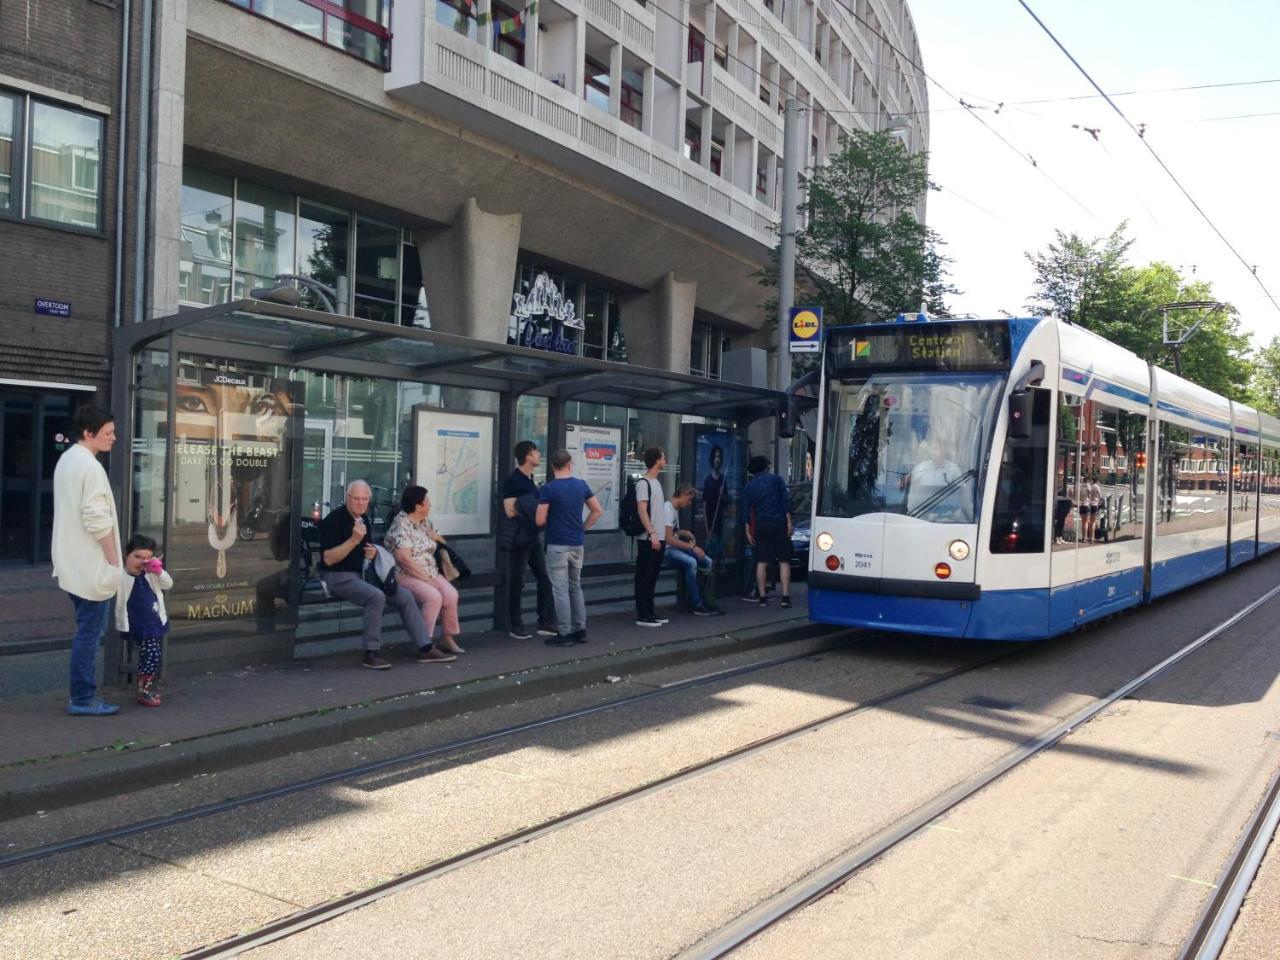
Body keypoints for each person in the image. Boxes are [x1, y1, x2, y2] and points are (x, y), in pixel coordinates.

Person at [318, 479, 447, 669]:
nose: (361, 503)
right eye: (356, 499)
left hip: (364, 574)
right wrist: (354, 541)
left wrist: (374, 552)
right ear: (347, 498)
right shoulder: (334, 520)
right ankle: (371, 652)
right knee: (376, 597)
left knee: (404, 596)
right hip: (339, 576)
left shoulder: (364, 519)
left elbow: (366, 550)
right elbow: (328, 559)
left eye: (364, 499)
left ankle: (425, 647)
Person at [52, 405, 124, 716]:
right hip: (91, 566)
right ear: (88, 433)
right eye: (108, 433)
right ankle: (82, 698)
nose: (114, 438)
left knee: (85, 631)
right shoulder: (91, 468)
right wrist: (113, 562)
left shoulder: (67, 460)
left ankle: (82, 696)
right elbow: (97, 519)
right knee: (89, 635)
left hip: (71, 561)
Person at [385, 485, 465, 658]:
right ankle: (424, 644)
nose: (429, 504)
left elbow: (442, 545)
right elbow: (404, 559)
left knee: (451, 594)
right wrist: (427, 580)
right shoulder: (401, 524)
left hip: (431, 571)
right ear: (418, 506)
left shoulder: (425, 522)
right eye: (427, 501)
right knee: (433, 597)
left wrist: (437, 538)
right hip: (406, 574)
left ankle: (447, 638)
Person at [536, 450, 603, 646]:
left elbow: (540, 519)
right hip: (577, 543)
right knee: (575, 586)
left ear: (552, 467)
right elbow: (597, 510)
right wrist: (583, 527)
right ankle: (580, 630)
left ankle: (564, 633)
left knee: (560, 590)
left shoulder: (548, 489)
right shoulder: (581, 485)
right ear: (569, 464)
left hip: (557, 544)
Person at [499, 440, 557, 641]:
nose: (539, 455)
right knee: (518, 580)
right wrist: (532, 513)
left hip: (532, 535)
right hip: (519, 537)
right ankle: (516, 625)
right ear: (527, 456)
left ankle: (545, 621)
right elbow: (509, 509)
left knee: (544, 577)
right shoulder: (514, 481)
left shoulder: (530, 479)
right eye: (536, 452)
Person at [116, 535, 173, 707]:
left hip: (153, 622)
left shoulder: (150, 574)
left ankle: (145, 688)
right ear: (127, 555)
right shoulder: (121, 576)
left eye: (147, 558)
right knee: (149, 654)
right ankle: (144, 689)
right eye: (137, 556)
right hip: (135, 624)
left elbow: (168, 584)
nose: (141, 562)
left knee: (152, 654)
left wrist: (158, 570)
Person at [663, 484, 722, 616]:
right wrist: (693, 547)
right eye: (689, 500)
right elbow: (669, 539)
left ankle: (704, 597)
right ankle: (696, 604)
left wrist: (685, 532)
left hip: (674, 547)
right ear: (682, 495)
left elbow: (674, 531)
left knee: (707, 561)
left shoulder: (674, 509)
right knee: (691, 562)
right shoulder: (667, 509)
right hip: (667, 550)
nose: (689, 503)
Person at [744, 454, 793, 609]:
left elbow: (745, 511)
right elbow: (785, 502)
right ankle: (785, 596)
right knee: (784, 561)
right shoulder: (777, 480)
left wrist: (747, 531)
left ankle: (763, 597)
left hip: (761, 525)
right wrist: (789, 522)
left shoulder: (749, 487)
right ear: (766, 466)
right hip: (779, 523)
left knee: (761, 561)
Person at [633, 446, 669, 627]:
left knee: (653, 575)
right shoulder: (643, 483)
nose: (665, 461)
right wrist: (652, 533)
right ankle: (643, 613)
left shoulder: (656, 483)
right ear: (657, 460)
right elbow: (642, 510)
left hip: (658, 536)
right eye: (663, 458)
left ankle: (650, 610)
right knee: (645, 575)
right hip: (648, 538)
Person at [904, 436, 963, 515]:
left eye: (937, 449)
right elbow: (904, 483)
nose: (934, 452)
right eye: (933, 448)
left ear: (944, 450)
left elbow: (962, 497)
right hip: (921, 516)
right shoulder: (922, 467)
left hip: (947, 519)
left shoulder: (954, 470)